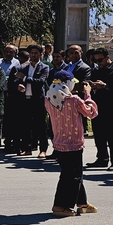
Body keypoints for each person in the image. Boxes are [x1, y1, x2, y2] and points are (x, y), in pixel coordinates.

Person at [44, 70, 98, 217]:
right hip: (74, 143)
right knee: (71, 176)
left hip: (59, 142)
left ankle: (82, 203)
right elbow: (91, 113)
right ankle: (61, 205)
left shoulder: (48, 99)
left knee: (73, 173)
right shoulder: (74, 100)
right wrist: (87, 94)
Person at [88, 47, 113, 169]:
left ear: (107, 58)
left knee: (111, 135)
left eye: (100, 60)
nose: (98, 63)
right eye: (96, 60)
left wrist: (104, 86)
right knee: (98, 134)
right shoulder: (96, 70)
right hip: (97, 106)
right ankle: (102, 158)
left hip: (110, 105)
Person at [11, 45, 51, 157]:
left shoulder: (44, 67)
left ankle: (43, 149)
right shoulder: (24, 67)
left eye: (36, 53)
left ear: (41, 54)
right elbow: (15, 80)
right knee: (25, 125)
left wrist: (24, 78)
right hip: (25, 100)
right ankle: (27, 148)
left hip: (38, 100)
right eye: (32, 53)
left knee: (40, 126)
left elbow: (40, 81)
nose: (34, 55)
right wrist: (18, 85)